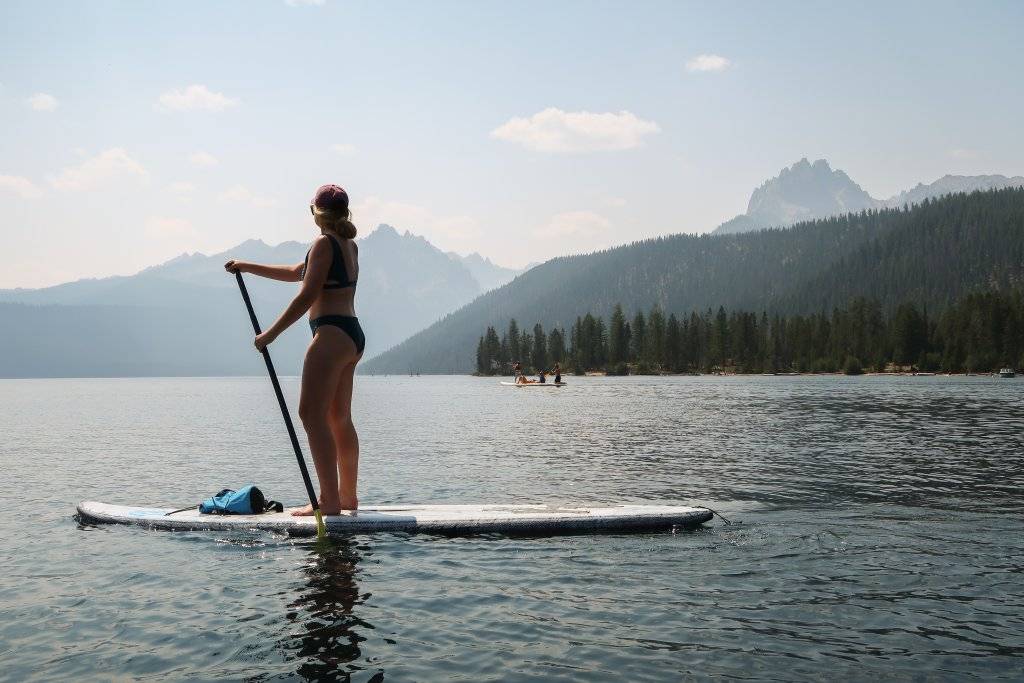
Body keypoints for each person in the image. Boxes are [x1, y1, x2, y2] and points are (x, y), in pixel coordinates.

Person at [224, 184, 363, 514]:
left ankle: (328, 501)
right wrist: (246, 266)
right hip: (352, 336)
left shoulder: (322, 243)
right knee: (339, 417)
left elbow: (306, 295)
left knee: (311, 414)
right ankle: (347, 497)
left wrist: (269, 335)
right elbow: (297, 273)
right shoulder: (348, 245)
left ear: (315, 212)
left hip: (329, 335)